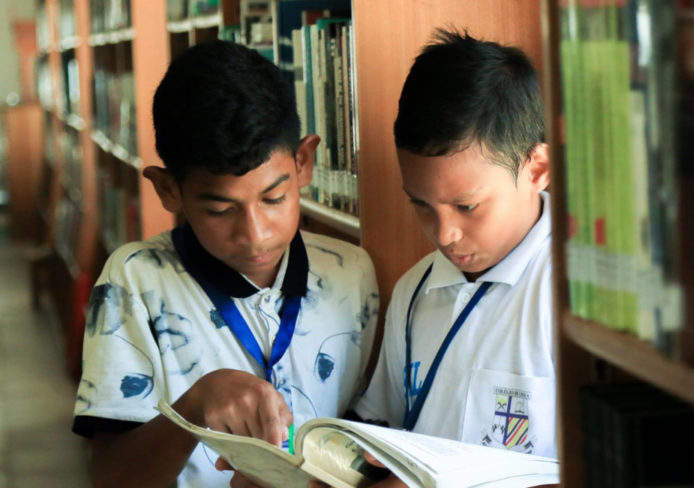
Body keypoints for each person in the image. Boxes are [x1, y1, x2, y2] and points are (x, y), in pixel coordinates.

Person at [72, 40, 379, 488]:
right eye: (220, 210)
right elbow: (111, 477)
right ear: (168, 190)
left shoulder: (351, 272)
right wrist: (193, 407)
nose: (255, 233)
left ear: (304, 162)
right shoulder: (133, 282)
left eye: (274, 198)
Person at [352, 28, 557, 462]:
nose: (444, 235)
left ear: (537, 167)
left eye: (467, 205)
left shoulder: (573, 292)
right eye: (422, 205)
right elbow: (383, 424)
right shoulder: (414, 290)